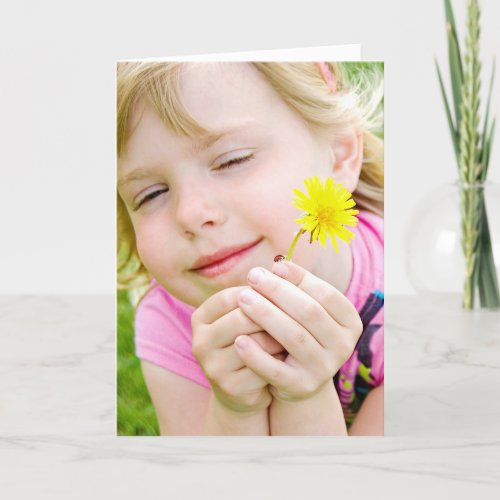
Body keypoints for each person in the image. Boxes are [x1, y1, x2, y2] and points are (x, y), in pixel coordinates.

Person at [117, 61, 384, 435]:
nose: (190, 213)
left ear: (339, 154)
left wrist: (302, 396)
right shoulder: (169, 323)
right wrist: (234, 410)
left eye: (232, 160)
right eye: (151, 194)